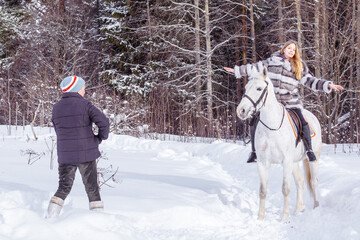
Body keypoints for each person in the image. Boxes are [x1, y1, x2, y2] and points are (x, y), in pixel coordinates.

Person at [224, 40, 343, 163]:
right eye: (289, 48)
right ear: (284, 49)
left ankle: (309, 150)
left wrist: (328, 85)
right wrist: (236, 71)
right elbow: (254, 68)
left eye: (294, 50)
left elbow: (310, 81)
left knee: (302, 121)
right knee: (254, 121)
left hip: (290, 103)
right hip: (272, 103)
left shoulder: (298, 66)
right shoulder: (271, 62)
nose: (291, 51)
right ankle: (254, 152)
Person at [46, 76, 110, 218]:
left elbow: (58, 130)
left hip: (65, 155)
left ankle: (50, 217)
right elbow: (104, 123)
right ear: (76, 89)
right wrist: (100, 138)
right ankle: (98, 219)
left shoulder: (56, 108)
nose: (84, 90)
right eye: (83, 87)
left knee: (63, 187)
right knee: (92, 187)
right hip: (85, 154)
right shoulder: (85, 105)